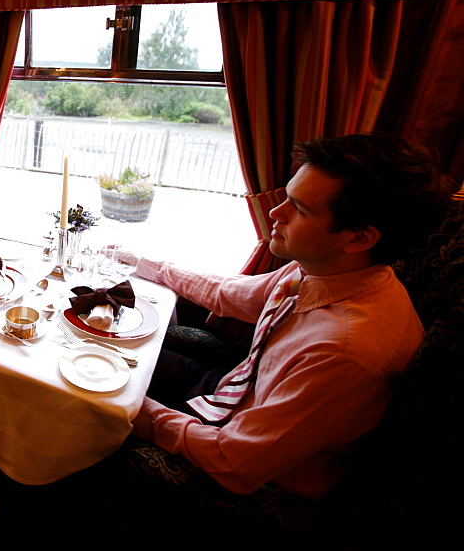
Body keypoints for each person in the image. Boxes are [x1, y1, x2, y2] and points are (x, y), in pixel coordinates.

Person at [117, 133, 452, 500]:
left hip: (262, 471)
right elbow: (230, 295)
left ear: (358, 239)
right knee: (107, 349)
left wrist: (130, 408)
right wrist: (145, 264)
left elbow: (233, 459)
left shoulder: (344, 350)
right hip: (235, 390)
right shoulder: (321, 269)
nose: (276, 212)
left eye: (299, 208)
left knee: (85, 411)